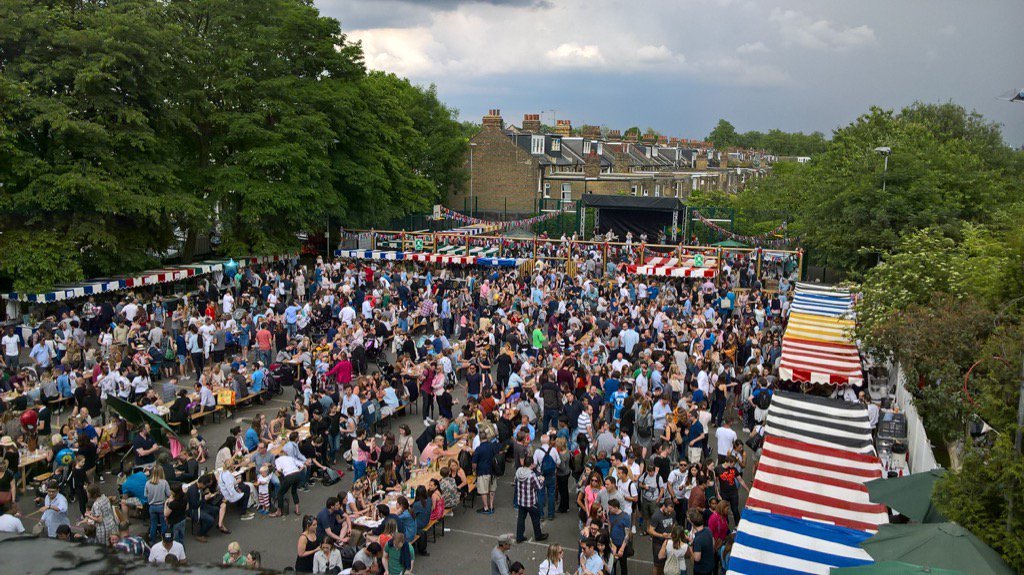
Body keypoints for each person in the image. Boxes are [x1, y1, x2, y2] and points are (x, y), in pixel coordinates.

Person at [513, 458, 549, 543]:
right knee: (536, 519)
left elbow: (515, 481)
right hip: (531, 502)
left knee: (521, 519)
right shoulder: (532, 475)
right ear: (531, 464)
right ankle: (538, 535)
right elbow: (538, 487)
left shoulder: (518, 471)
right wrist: (541, 480)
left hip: (521, 501)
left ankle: (519, 536)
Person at [472, 434, 500, 514]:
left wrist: (474, 470)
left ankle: (485, 507)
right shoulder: (493, 446)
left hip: (482, 471)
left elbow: (474, 463)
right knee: (492, 489)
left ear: (480, 439)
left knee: (483, 490)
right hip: (493, 471)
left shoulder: (479, 449)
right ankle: (491, 505)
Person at [146, 464, 171, 542]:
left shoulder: (148, 483)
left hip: (152, 507)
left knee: (153, 524)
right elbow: (169, 494)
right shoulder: (164, 482)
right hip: (161, 507)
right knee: (164, 524)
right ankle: (164, 540)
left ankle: (152, 541)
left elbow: (145, 495)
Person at [689, 509, 715, 575]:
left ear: (693, 523)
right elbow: (713, 544)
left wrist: (690, 547)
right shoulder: (708, 530)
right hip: (710, 565)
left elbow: (697, 558)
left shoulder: (698, 539)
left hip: (701, 570)